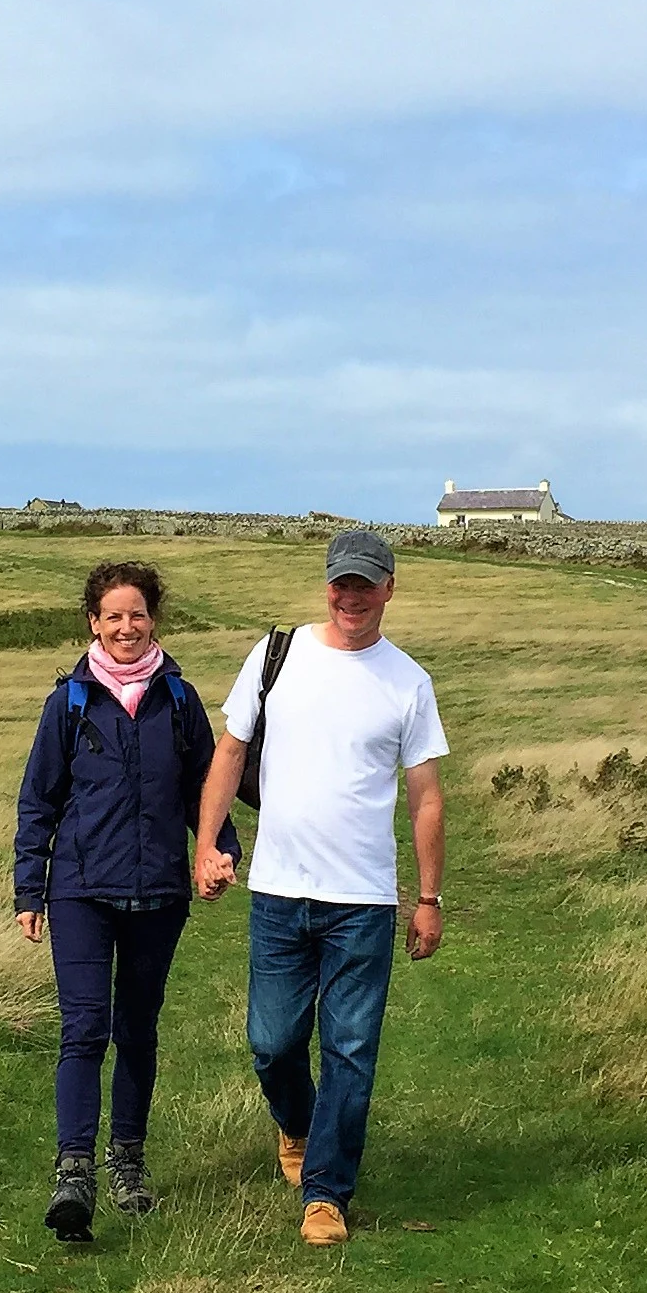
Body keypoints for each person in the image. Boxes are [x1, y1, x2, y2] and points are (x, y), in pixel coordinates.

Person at [194, 528, 447, 1245]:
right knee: (272, 1043)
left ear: (390, 589)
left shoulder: (409, 683)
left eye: (366, 585)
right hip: (278, 891)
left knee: (350, 1048)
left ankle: (326, 1195)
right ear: (326, 585)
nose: (352, 598)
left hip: (363, 902)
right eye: (342, 584)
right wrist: (207, 845)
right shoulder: (277, 657)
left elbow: (427, 796)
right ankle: (297, 1126)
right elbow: (231, 750)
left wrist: (427, 900)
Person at [15, 560, 239, 1244]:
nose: (126, 627)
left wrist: (217, 849)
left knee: (137, 1030)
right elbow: (39, 799)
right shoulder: (70, 703)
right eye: (112, 616)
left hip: (160, 893)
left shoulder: (180, 700)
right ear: (93, 622)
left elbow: (210, 787)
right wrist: (30, 887)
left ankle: (128, 1163)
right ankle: (74, 1173)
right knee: (84, 1028)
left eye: (136, 614)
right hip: (80, 890)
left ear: (154, 621)